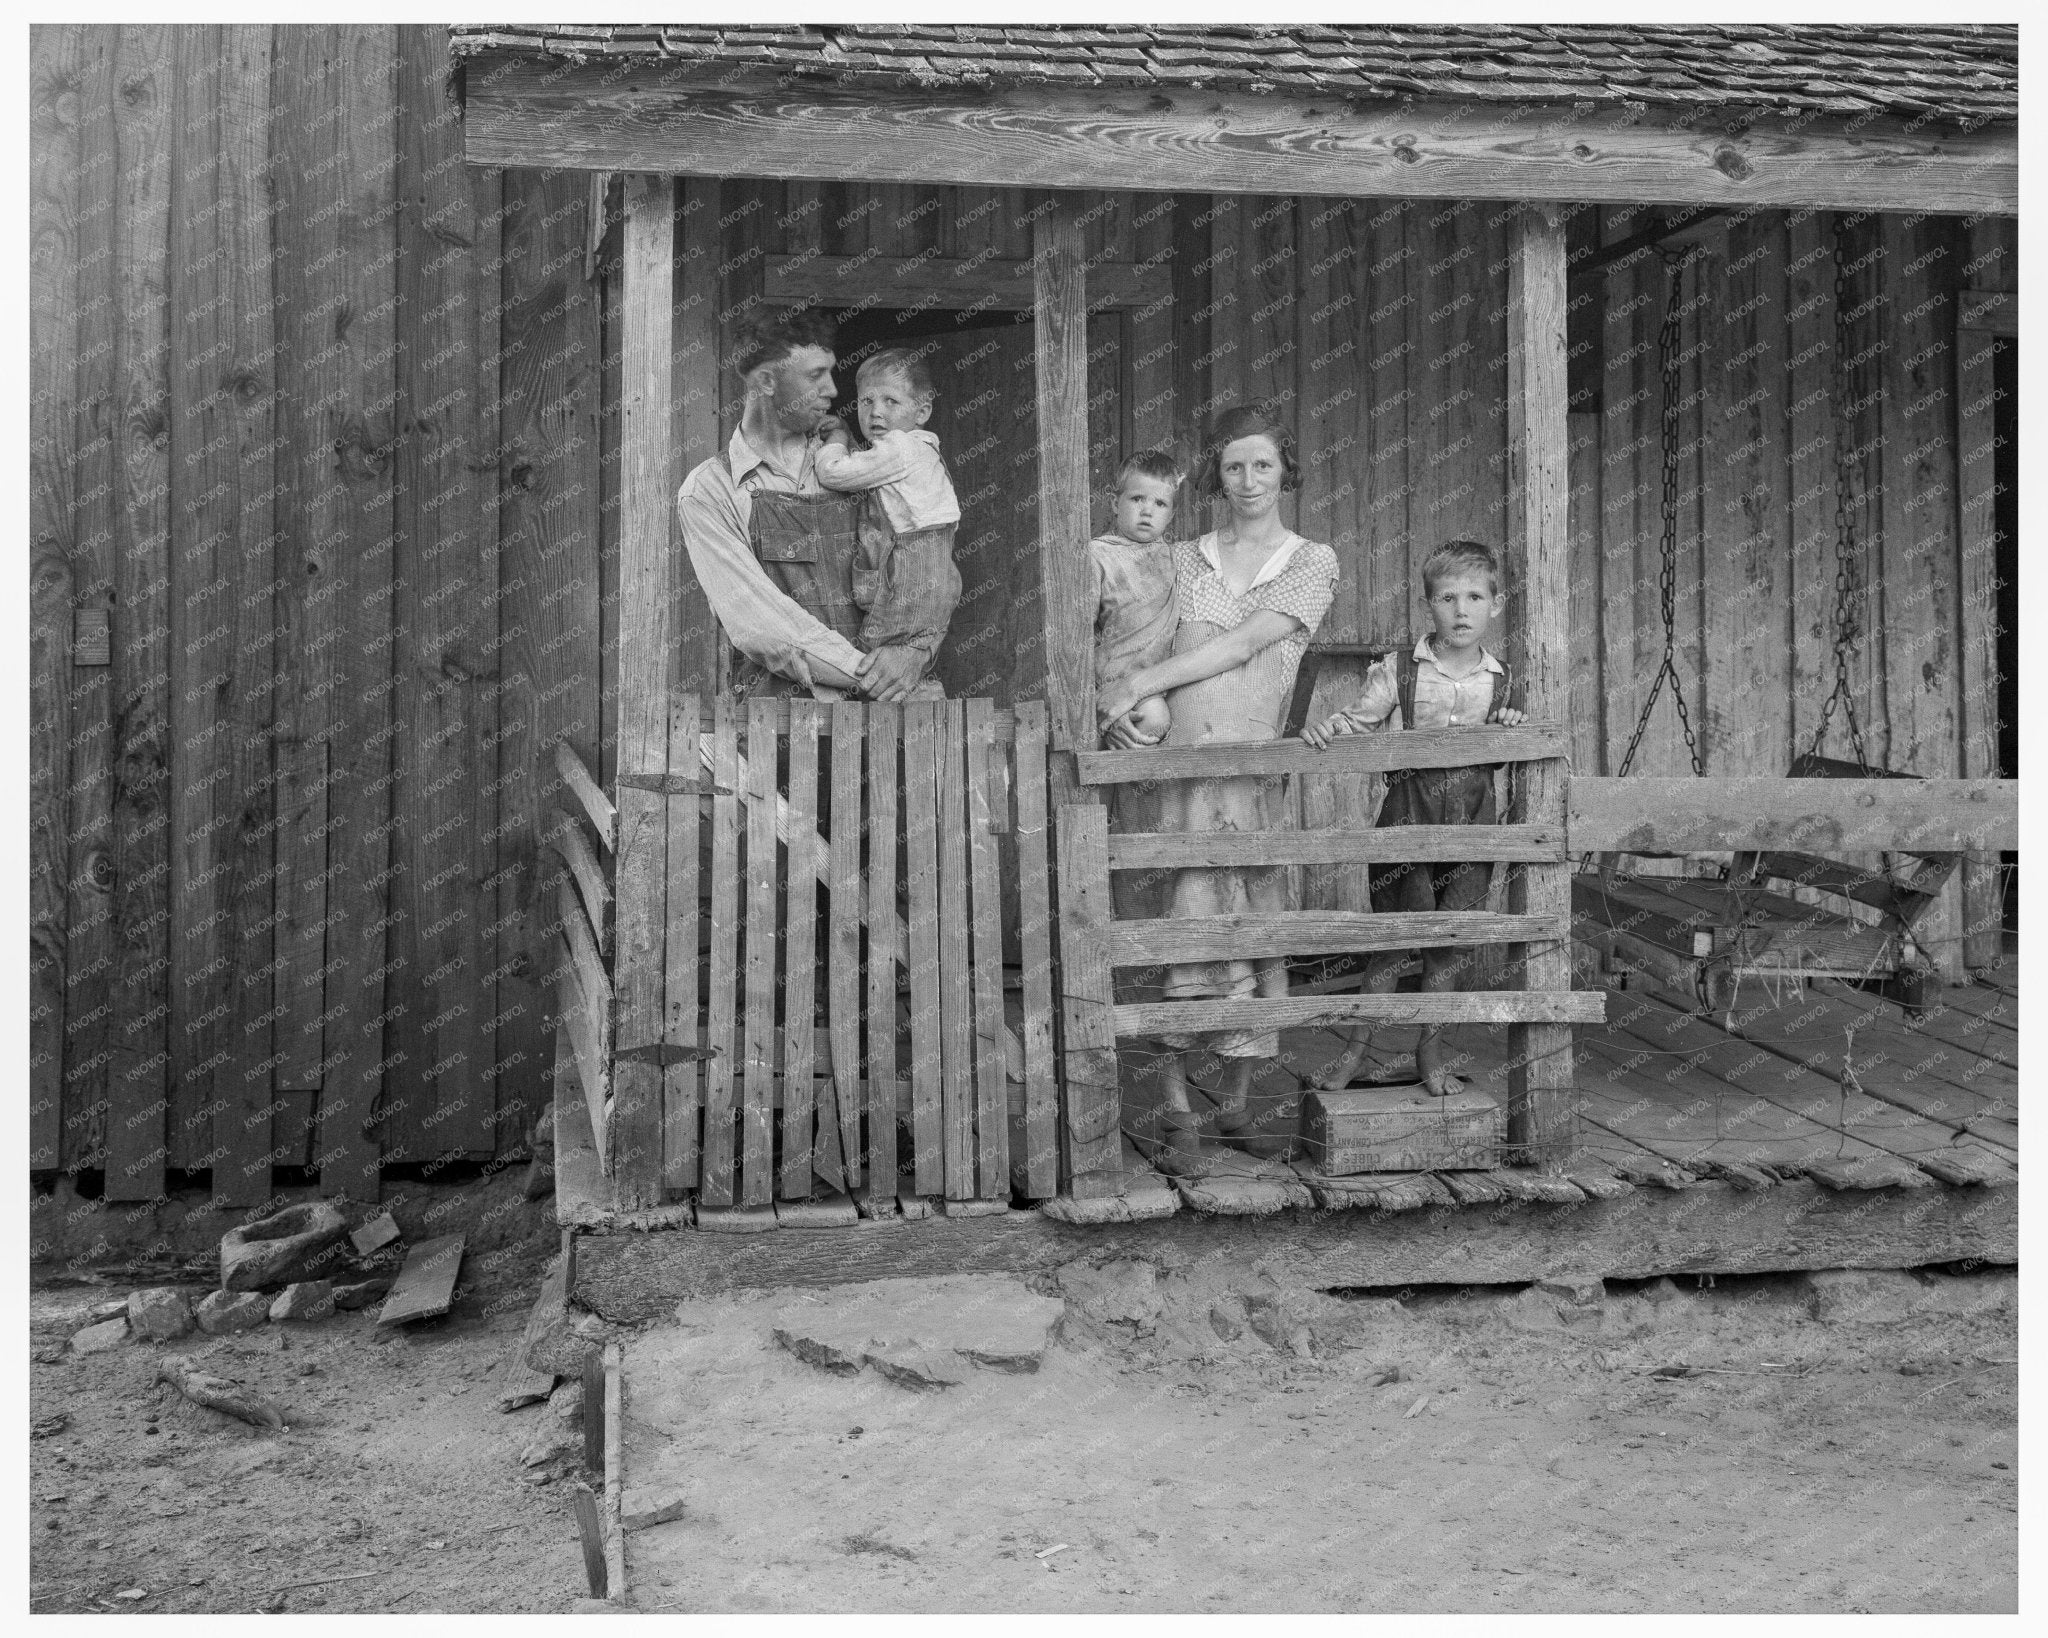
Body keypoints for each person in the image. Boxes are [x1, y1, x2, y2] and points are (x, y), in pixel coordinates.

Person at [1096, 406, 1339, 1172]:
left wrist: (1142, 680)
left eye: (1262, 464)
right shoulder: (1181, 556)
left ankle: (1233, 1104)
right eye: (1233, 466)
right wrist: (1127, 705)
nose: (1248, 480)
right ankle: (1176, 1114)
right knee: (1179, 932)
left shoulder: (1312, 560)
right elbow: (1135, 636)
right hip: (1175, 777)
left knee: (1252, 933)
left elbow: (1245, 645)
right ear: (1216, 475)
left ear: (1285, 471)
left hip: (1250, 776)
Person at [1299, 539, 1528, 1097]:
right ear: (1429, 605)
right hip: (1405, 816)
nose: (1462, 609)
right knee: (1390, 944)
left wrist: (1513, 724)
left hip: (1473, 825)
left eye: (1475, 596)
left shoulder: (1505, 681)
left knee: (1446, 947)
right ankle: (1354, 1056)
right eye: (1448, 598)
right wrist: (1328, 728)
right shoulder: (1399, 671)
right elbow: (1358, 722)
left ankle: (1432, 1057)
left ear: (1495, 605)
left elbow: (1512, 752)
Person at [675, 311, 958, 701]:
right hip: (784, 728)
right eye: (815, 376)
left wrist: (913, 652)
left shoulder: (869, 465)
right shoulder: (711, 491)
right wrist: (874, 675)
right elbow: (759, 624)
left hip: (898, 718)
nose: (834, 391)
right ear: (767, 381)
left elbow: (930, 566)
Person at [1089, 451, 1183, 748]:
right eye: (1137, 499)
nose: (1147, 510)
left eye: (1160, 503)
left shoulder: (1175, 556)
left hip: (1163, 677)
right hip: (1116, 677)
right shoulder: (1098, 555)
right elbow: (1081, 631)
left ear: (1170, 515)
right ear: (1115, 504)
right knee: (1154, 722)